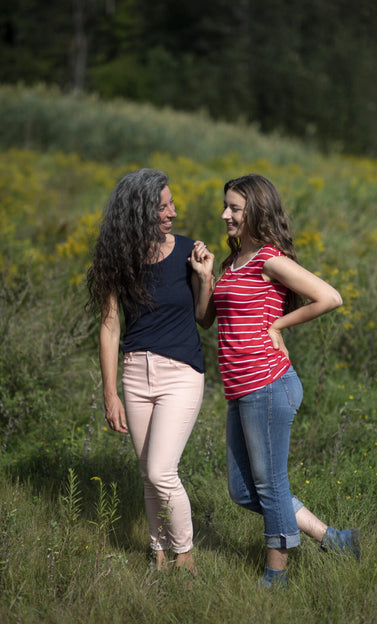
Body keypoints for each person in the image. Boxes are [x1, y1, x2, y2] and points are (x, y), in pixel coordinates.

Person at [201, 173, 360, 589]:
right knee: (241, 490)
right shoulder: (232, 263)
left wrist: (278, 327)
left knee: (270, 486)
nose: (225, 215)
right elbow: (206, 319)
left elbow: (330, 297)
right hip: (240, 390)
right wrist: (204, 279)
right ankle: (334, 539)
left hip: (268, 385)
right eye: (226, 207)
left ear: (255, 210)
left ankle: (276, 576)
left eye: (235, 208)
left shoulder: (268, 259)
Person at [86, 168, 214, 575]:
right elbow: (109, 326)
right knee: (147, 473)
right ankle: (158, 554)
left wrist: (206, 277)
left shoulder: (188, 250)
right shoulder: (115, 258)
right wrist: (110, 394)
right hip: (134, 375)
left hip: (181, 372)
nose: (173, 212)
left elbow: (204, 318)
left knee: (161, 470)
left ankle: (186, 556)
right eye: (163, 206)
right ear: (138, 211)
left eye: (172, 203)